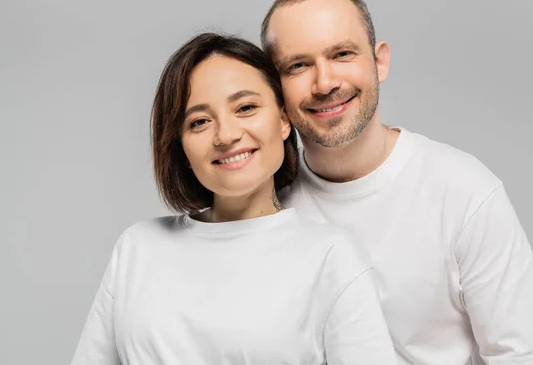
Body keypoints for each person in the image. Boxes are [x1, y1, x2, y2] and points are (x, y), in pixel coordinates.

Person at [260, 0, 533, 365]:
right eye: (299, 65)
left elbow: (532, 357)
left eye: (342, 54)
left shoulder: (463, 193)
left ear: (379, 61)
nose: (325, 83)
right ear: (274, 89)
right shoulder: (267, 207)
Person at [70, 33, 400, 365]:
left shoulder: (331, 256)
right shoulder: (138, 248)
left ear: (284, 119)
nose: (226, 135)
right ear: (181, 147)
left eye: (246, 108)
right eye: (199, 122)